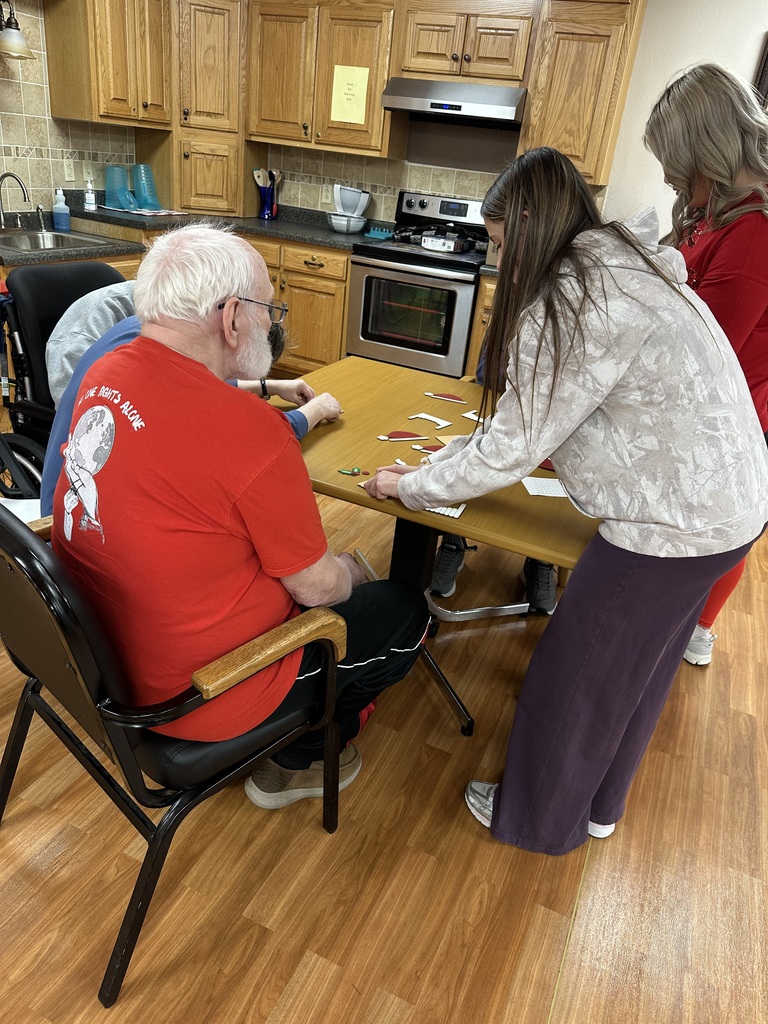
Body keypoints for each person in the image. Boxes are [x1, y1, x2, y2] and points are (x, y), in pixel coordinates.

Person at [363, 147, 768, 855]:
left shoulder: (574, 301)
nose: (496, 263)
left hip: (675, 524)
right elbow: (526, 421)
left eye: (496, 244)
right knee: (637, 671)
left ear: (525, 224)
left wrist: (410, 485)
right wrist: (447, 459)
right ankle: (599, 806)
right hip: (732, 505)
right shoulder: (618, 259)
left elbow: (513, 447)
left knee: (573, 674)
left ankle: (540, 822)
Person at [52, 224, 429, 809]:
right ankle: (298, 760)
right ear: (230, 318)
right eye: (267, 308)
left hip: (102, 662)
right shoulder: (254, 435)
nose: (271, 322)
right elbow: (319, 589)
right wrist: (353, 574)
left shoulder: (105, 374)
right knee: (403, 609)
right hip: (200, 695)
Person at [643, 62, 768, 666]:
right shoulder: (719, 214)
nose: (676, 190)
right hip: (704, 416)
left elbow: (701, 354)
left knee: (696, 562)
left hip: (729, 424)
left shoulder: (754, 234)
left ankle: (691, 628)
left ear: (709, 154)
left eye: (679, 175)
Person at [40, 299, 343, 516]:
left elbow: (203, 384)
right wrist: (316, 409)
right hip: (69, 519)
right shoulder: (155, 369)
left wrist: (272, 386)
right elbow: (258, 436)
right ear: (230, 329)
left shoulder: (147, 333)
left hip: (71, 506)